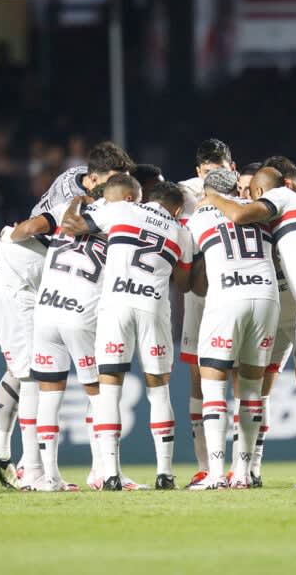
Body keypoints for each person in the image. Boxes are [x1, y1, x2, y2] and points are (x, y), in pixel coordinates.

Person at [203, 166, 296, 488]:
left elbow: (241, 216)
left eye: (251, 193)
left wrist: (214, 197)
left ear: (262, 193)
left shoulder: (280, 197)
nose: (246, 198)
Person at [63, 179, 193, 491]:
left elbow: (72, 226)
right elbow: (184, 283)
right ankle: (165, 474)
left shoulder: (122, 209)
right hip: (153, 307)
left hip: (116, 304)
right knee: (159, 391)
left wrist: (75, 202)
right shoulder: (182, 232)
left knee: (109, 392)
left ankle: (110, 474)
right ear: (176, 208)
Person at [21, 176, 140, 492]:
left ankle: (49, 477)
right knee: (100, 394)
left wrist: (77, 201)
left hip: (45, 312)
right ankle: (103, 470)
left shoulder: (66, 217)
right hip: (81, 315)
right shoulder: (118, 224)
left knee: (49, 396)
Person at [185, 168, 279, 489]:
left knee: (213, 387)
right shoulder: (260, 211)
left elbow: (186, 271)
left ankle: (214, 472)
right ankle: (243, 472)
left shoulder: (198, 217)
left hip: (227, 297)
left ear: (207, 192)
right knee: (251, 390)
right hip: (266, 296)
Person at [0, 206, 52, 491]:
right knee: (32, 374)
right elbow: (29, 229)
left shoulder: (26, 234)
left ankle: (1, 454)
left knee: (17, 371)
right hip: (10, 295)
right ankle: (32, 469)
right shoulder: (48, 233)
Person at [177, 138, 236, 489]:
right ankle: (206, 465)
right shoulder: (186, 192)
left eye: (222, 168)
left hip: (238, 288)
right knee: (201, 377)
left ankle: (244, 466)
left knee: (245, 374)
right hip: (202, 296)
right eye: (208, 171)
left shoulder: (243, 187)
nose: (215, 176)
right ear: (199, 172)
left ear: (232, 165)